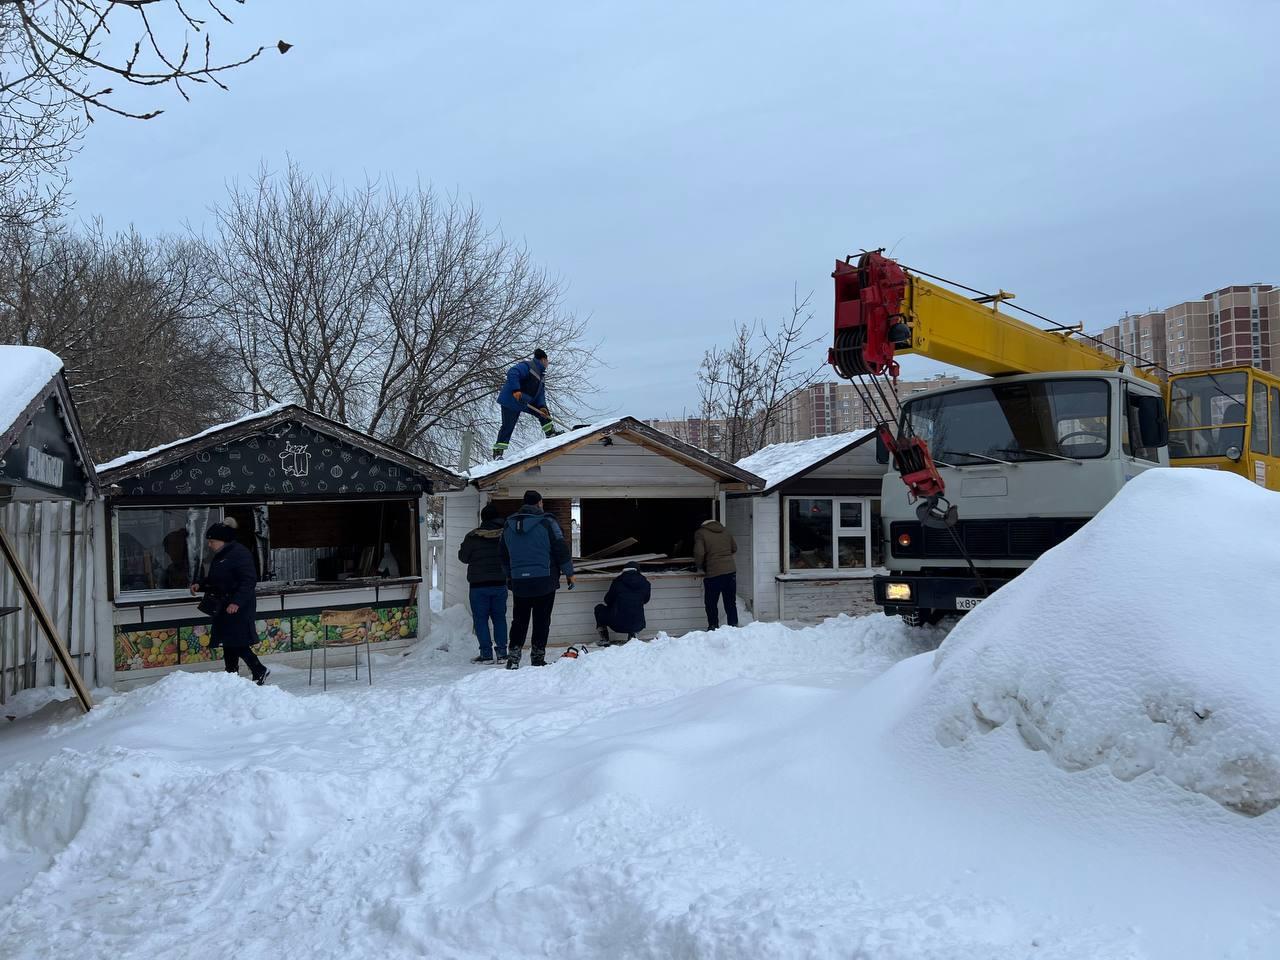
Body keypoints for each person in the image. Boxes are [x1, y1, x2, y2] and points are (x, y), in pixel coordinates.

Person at [500, 490, 575, 669]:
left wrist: (509, 576)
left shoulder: (509, 525)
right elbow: (560, 548)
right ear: (540, 503)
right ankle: (537, 658)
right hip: (545, 580)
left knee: (519, 620)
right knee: (542, 620)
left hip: (519, 581)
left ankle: (514, 657)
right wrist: (569, 573)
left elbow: (502, 554)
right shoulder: (548, 522)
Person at [191, 517, 269, 684]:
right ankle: (231, 676)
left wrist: (236, 602)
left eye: (211, 541)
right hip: (224, 606)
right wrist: (200, 585)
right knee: (228, 641)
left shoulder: (239, 554)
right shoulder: (221, 556)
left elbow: (248, 581)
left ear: (222, 540)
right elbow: (216, 579)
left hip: (238, 607)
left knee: (237, 641)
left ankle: (259, 669)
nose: (209, 545)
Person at [457, 503, 509, 664]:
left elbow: (463, 558)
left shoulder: (472, 536)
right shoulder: (505, 535)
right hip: (500, 583)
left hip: (478, 585)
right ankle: (502, 653)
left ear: (482, 518)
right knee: (499, 618)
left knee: (481, 620)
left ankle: (486, 654)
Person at [493, 348, 561, 459]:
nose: (548, 364)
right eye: (547, 361)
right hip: (512, 400)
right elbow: (512, 372)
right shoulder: (527, 366)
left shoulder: (541, 376)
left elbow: (540, 395)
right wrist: (516, 389)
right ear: (543, 360)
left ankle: (550, 432)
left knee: (544, 413)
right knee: (508, 426)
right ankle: (498, 452)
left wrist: (542, 406)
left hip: (526, 401)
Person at [694, 517, 738, 630]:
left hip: (714, 573)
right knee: (730, 602)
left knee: (711, 603)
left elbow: (699, 552)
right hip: (730, 572)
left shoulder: (700, 533)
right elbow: (734, 548)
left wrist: (699, 566)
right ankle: (733, 626)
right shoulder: (726, 531)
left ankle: (713, 627)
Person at [594, 561, 651, 646]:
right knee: (634, 608)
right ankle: (632, 635)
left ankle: (604, 639)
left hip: (617, 624)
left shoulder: (617, 582)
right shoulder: (645, 583)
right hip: (638, 624)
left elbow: (607, 600)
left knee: (599, 608)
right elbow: (646, 600)